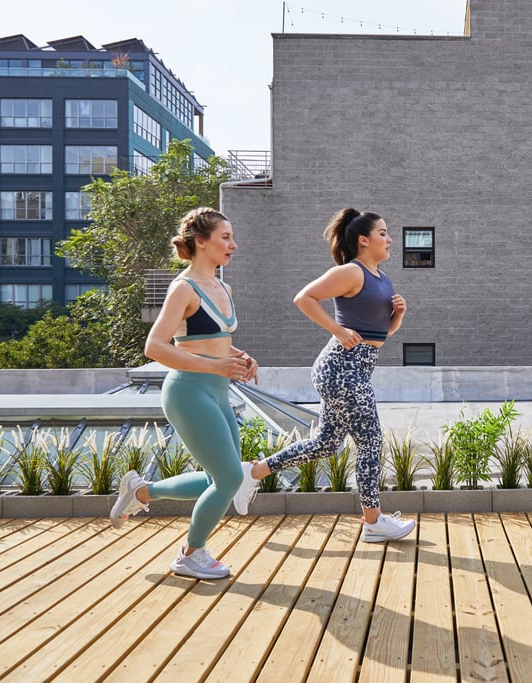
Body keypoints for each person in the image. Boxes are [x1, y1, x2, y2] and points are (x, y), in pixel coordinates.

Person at [232, 208, 416, 543]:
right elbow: (304, 298)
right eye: (383, 233)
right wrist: (338, 329)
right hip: (341, 367)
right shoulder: (351, 272)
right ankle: (373, 521)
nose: (390, 240)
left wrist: (398, 316)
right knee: (371, 442)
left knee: (326, 444)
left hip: (358, 366)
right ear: (364, 240)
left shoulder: (381, 277)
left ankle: (253, 472)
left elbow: (380, 335)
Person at [110, 207, 259, 580]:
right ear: (201, 242)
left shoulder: (224, 287)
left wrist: (241, 358)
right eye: (225, 237)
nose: (233, 244)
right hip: (188, 391)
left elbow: (213, 343)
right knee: (228, 478)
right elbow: (155, 347)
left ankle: (142, 492)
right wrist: (214, 366)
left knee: (222, 478)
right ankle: (190, 554)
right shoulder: (183, 288)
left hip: (218, 390)